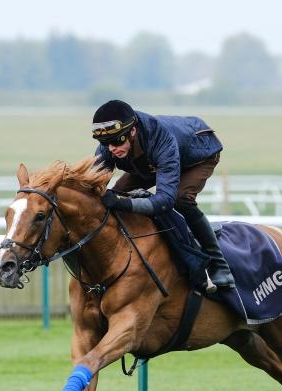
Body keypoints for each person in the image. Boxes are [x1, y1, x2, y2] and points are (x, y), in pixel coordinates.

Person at [91, 99, 235, 291]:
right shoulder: (111, 142)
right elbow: (92, 186)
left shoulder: (160, 138)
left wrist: (123, 203)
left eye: (117, 142)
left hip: (198, 155)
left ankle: (219, 265)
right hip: (151, 162)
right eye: (105, 143)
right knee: (117, 192)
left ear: (132, 131)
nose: (111, 149)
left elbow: (165, 201)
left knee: (180, 199)